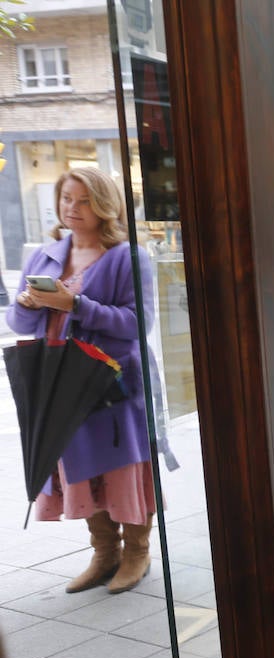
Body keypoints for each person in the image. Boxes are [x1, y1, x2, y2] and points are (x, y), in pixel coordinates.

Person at [8, 168, 157, 594]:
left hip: (113, 380)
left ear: (104, 205)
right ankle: (104, 552)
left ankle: (136, 553)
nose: (72, 208)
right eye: (67, 199)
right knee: (81, 465)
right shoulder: (44, 255)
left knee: (122, 466)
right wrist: (28, 303)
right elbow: (18, 321)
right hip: (61, 378)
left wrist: (74, 303)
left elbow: (136, 323)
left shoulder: (128, 257)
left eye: (84, 200)